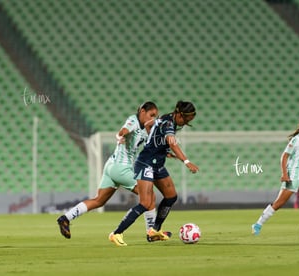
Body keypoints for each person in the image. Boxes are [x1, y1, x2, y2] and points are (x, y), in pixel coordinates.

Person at [57, 101, 162, 240]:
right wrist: (120, 136)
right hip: (121, 168)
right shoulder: (133, 120)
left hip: (111, 166)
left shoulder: (146, 129)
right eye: (151, 115)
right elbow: (123, 131)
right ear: (142, 112)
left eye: (155, 116)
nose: (153, 118)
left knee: (99, 200)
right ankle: (151, 233)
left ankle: (65, 218)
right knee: (149, 195)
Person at [109, 100, 199, 246]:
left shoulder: (167, 120)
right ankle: (116, 233)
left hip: (157, 164)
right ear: (179, 114)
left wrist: (159, 147)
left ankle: (154, 231)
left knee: (171, 196)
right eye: (186, 119)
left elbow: (149, 125)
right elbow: (172, 141)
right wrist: (187, 161)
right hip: (145, 163)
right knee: (145, 203)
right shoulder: (169, 123)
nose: (186, 123)